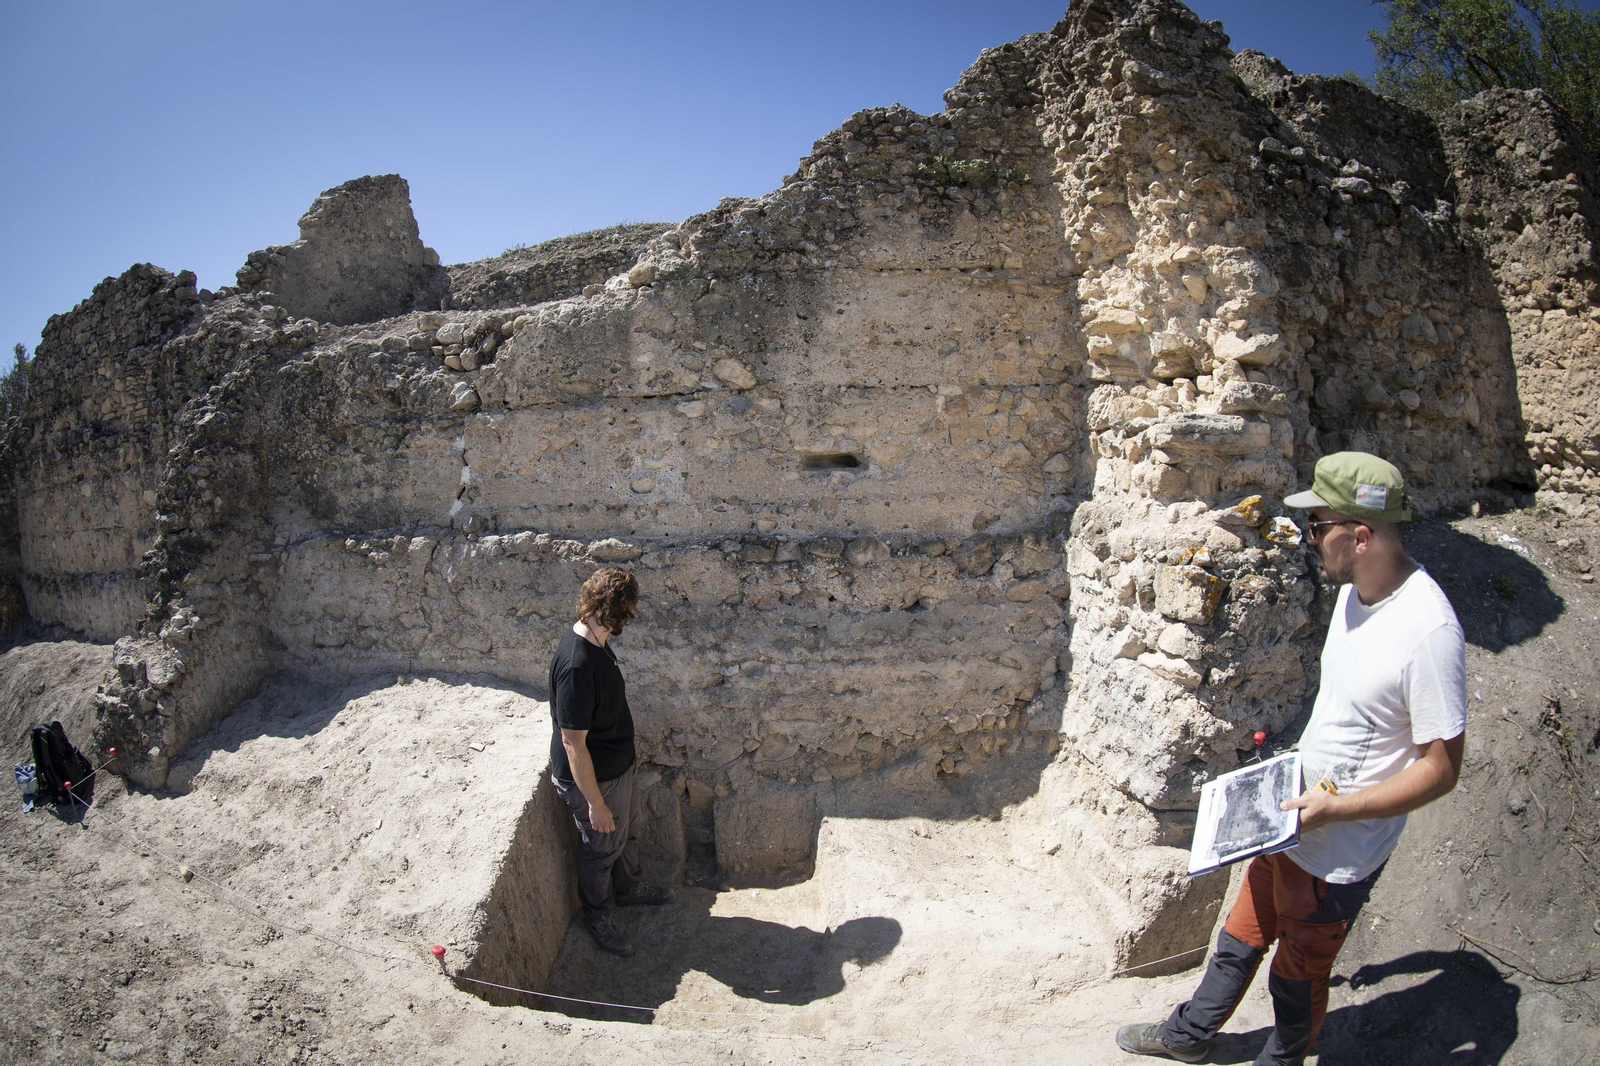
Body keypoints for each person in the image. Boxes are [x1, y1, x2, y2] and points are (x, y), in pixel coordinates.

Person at [1116, 452, 1467, 1065]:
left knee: (1296, 976)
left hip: (1339, 849)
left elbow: (1441, 768)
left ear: (1360, 535)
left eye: (1317, 526)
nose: (1307, 537)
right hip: (1293, 817)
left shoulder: (1427, 631)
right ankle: (1188, 1036)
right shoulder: (1358, 590)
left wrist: (1338, 809)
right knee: (1241, 933)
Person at [550, 566, 674, 957]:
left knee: (628, 830)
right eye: (627, 612)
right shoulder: (577, 664)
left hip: (616, 769)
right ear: (616, 612)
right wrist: (596, 804)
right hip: (595, 781)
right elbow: (572, 743)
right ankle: (598, 915)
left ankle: (629, 887)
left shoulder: (597, 641)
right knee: (600, 847)